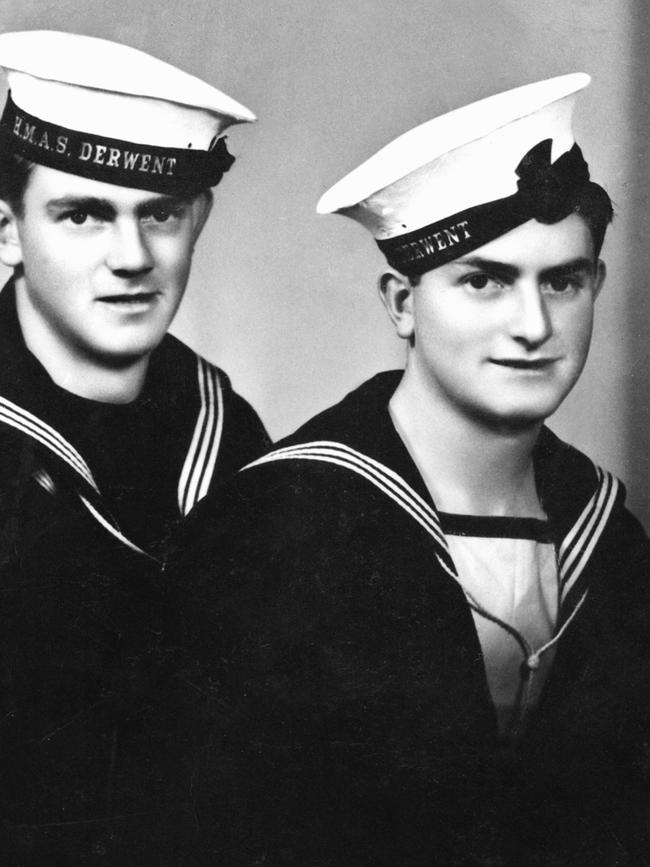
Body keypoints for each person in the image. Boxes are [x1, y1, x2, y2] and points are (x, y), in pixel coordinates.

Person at [177, 74, 650, 865]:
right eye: (484, 281)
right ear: (401, 302)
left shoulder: (613, 542)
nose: (533, 325)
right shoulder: (275, 526)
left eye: (562, 280)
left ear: (595, 285)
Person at [0, 30, 269, 865]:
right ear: (6, 231)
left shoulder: (234, 441)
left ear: (200, 220)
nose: (132, 257)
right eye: (83, 214)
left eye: (160, 213)